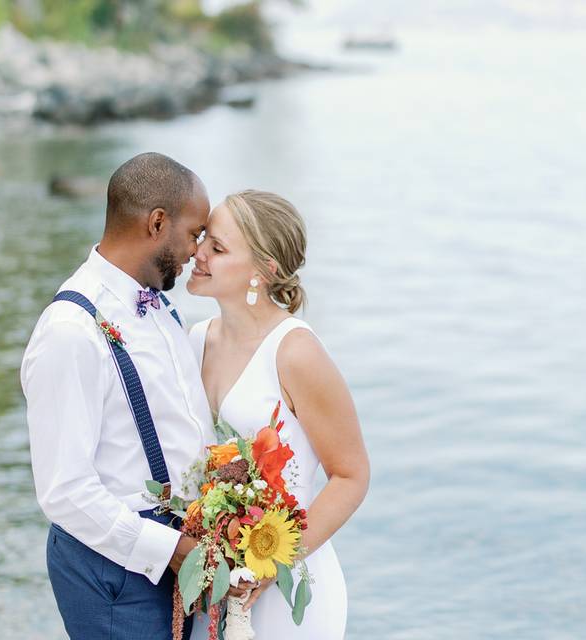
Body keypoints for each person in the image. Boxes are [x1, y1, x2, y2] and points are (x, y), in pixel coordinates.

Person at [21, 152, 250, 640]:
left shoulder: (163, 311)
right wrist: (168, 549)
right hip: (115, 569)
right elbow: (64, 491)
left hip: (175, 552)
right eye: (194, 234)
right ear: (157, 223)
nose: (197, 252)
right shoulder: (70, 330)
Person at [186, 190, 371, 639]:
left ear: (263, 270)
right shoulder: (194, 340)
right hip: (216, 586)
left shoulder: (295, 352)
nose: (199, 252)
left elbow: (351, 476)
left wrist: (277, 563)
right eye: (203, 238)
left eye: (218, 247)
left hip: (288, 589)